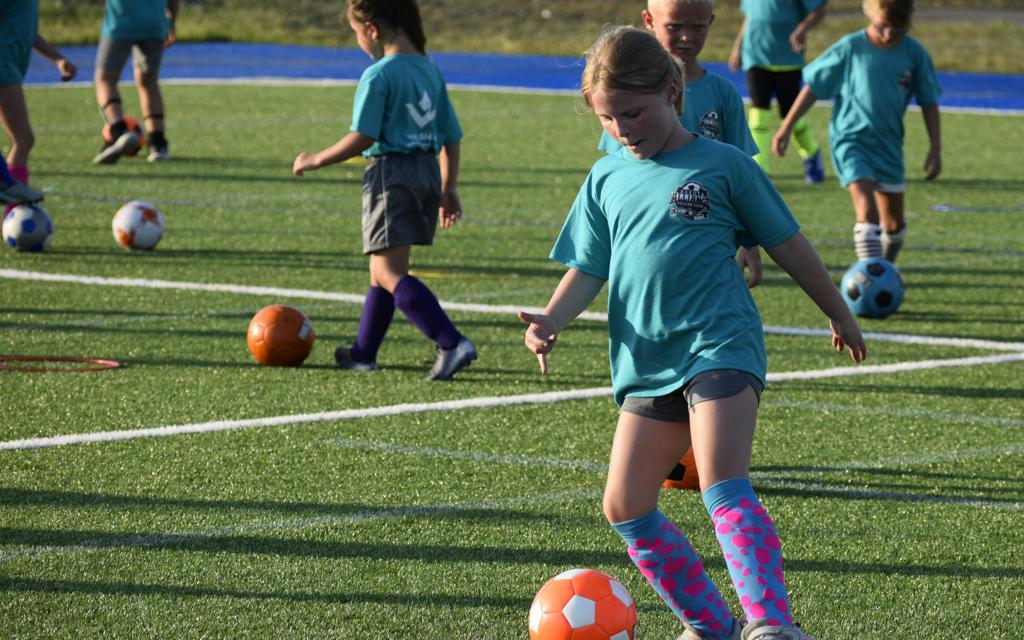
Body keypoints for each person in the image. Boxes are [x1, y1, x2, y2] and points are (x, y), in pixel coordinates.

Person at [520, 27, 865, 640]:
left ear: (672, 91)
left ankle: (770, 626)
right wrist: (551, 319)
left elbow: (789, 244)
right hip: (645, 362)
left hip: (720, 346)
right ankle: (710, 625)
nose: (624, 127)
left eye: (634, 111)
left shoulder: (724, 165)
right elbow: (588, 268)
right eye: (609, 117)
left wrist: (836, 309)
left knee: (722, 482)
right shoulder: (605, 179)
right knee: (624, 505)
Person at [603, 0, 766, 490]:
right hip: (653, 297)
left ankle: (709, 456)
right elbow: (622, 180)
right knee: (625, 501)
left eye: (698, 26)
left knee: (712, 361)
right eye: (676, 26)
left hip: (709, 272)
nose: (687, 36)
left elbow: (743, 176)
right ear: (650, 22)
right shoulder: (625, 97)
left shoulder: (719, 94)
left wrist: (750, 241)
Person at [293, 0, 476, 381]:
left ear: (372, 29)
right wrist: (449, 185)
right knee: (382, 269)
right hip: (425, 170)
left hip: (391, 174)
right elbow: (451, 136)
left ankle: (449, 341)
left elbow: (364, 136)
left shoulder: (379, 75)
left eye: (357, 33)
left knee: (389, 271)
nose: (359, 40)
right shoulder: (429, 70)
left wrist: (316, 159)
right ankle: (364, 352)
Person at [772, 0, 940, 263]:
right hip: (850, 140)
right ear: (869, 13)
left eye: (897, 30)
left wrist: (935, 148)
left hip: (889, 146)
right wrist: (785, 128)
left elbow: (929, 101)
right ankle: (870, 275)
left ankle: (883, 270)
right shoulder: (851, 47)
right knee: (867, 212)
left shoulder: (915, 54)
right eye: (882, 26)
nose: (888, 35)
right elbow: (813, 87)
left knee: (894, 227)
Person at [730, 0, 827, 182]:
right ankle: (760, 169)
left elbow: (819, 11)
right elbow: (750, 18)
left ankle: (812, 154)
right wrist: (737, 47)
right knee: (758, 115)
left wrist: (801, 30)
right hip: (756, 56)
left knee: (791, 116)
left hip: (787, 59)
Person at [1, 0, 77, 204]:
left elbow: (27, 30)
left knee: (22, 140)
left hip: (9, 68)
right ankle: (11, 209)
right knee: (23, 139)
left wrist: (57, 59)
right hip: (3, 69)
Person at [92, 0, 178, 165]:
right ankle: (158, 145)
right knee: (149, 82)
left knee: (105, 79)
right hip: (155, 22)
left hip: (121, 20)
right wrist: (171, 22)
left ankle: (119, 131)